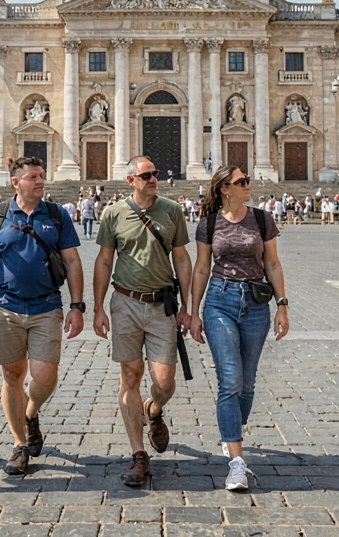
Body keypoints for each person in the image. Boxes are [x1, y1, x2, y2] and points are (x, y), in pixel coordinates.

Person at [0, 157, 84, 476]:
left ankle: (30, 413)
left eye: (42, 176)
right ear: (15, 181)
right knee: (12, 376)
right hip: (6, 306)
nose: (40, 181)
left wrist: (77, 305)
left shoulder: (57, 215)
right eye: (33, 176)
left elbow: (73, 261)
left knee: (45, 376)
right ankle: (19, 443)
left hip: (47, 306)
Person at [92, 155, 192, 487]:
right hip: (125, 302)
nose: (153, 179)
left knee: (165, 382)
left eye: (155, 173)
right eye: (146, 175)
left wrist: (188, 306)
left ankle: (153, 408)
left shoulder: (172, 210)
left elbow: (181, 256)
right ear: (130, 179)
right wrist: (97, 307)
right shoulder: (113, 213)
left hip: (162, 303)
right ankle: (138, 454)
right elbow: (104, 261)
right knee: (130, 376)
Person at [188, 166, 288, 491]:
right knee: (229, 379)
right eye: (241, 182)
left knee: (246, 384)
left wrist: (282, 305)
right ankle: (236, 461)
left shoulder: (262, 219)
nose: (249, 185)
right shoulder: (209, 224)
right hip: (219, 300)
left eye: (247, 180)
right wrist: (193, 312)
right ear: (224, 190)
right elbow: (202, 268)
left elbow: (272, 263)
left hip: (257, 302)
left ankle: (232, 427)